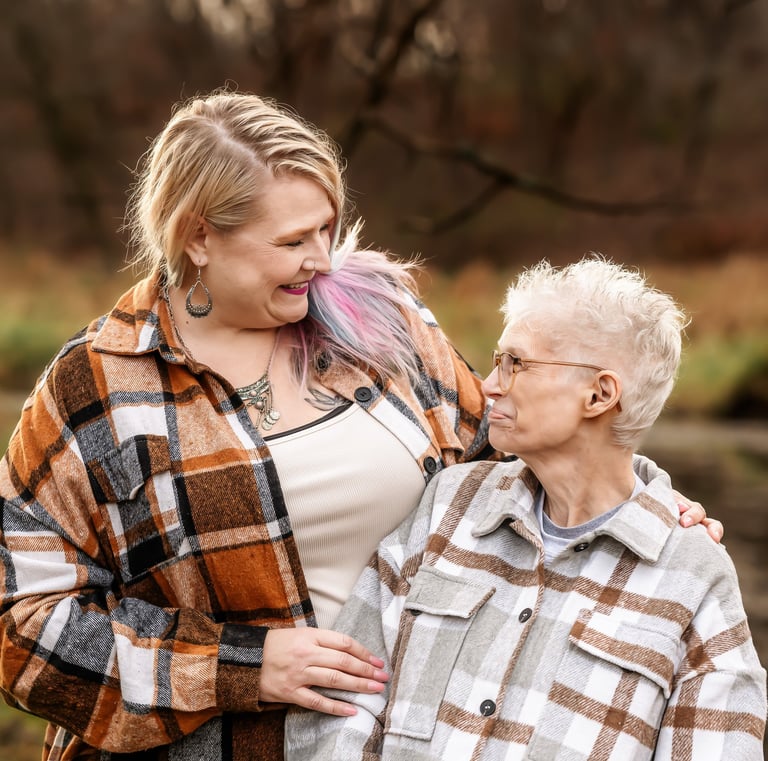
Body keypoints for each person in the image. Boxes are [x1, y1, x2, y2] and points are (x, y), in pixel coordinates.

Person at [0, 91, 719, 761]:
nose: (321, 259)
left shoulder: (382, 321)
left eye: (328, 228)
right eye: (291, 241)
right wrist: (241, 664)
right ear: (198, 238)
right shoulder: (94, 388)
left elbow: (514, 453)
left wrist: (641, 502)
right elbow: (20, 629)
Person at [286, 257, 766, 760]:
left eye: (515, 363)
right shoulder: (449, 505)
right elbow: (342, 700)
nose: (490, 385)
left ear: (600, 394)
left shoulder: (695, 573)